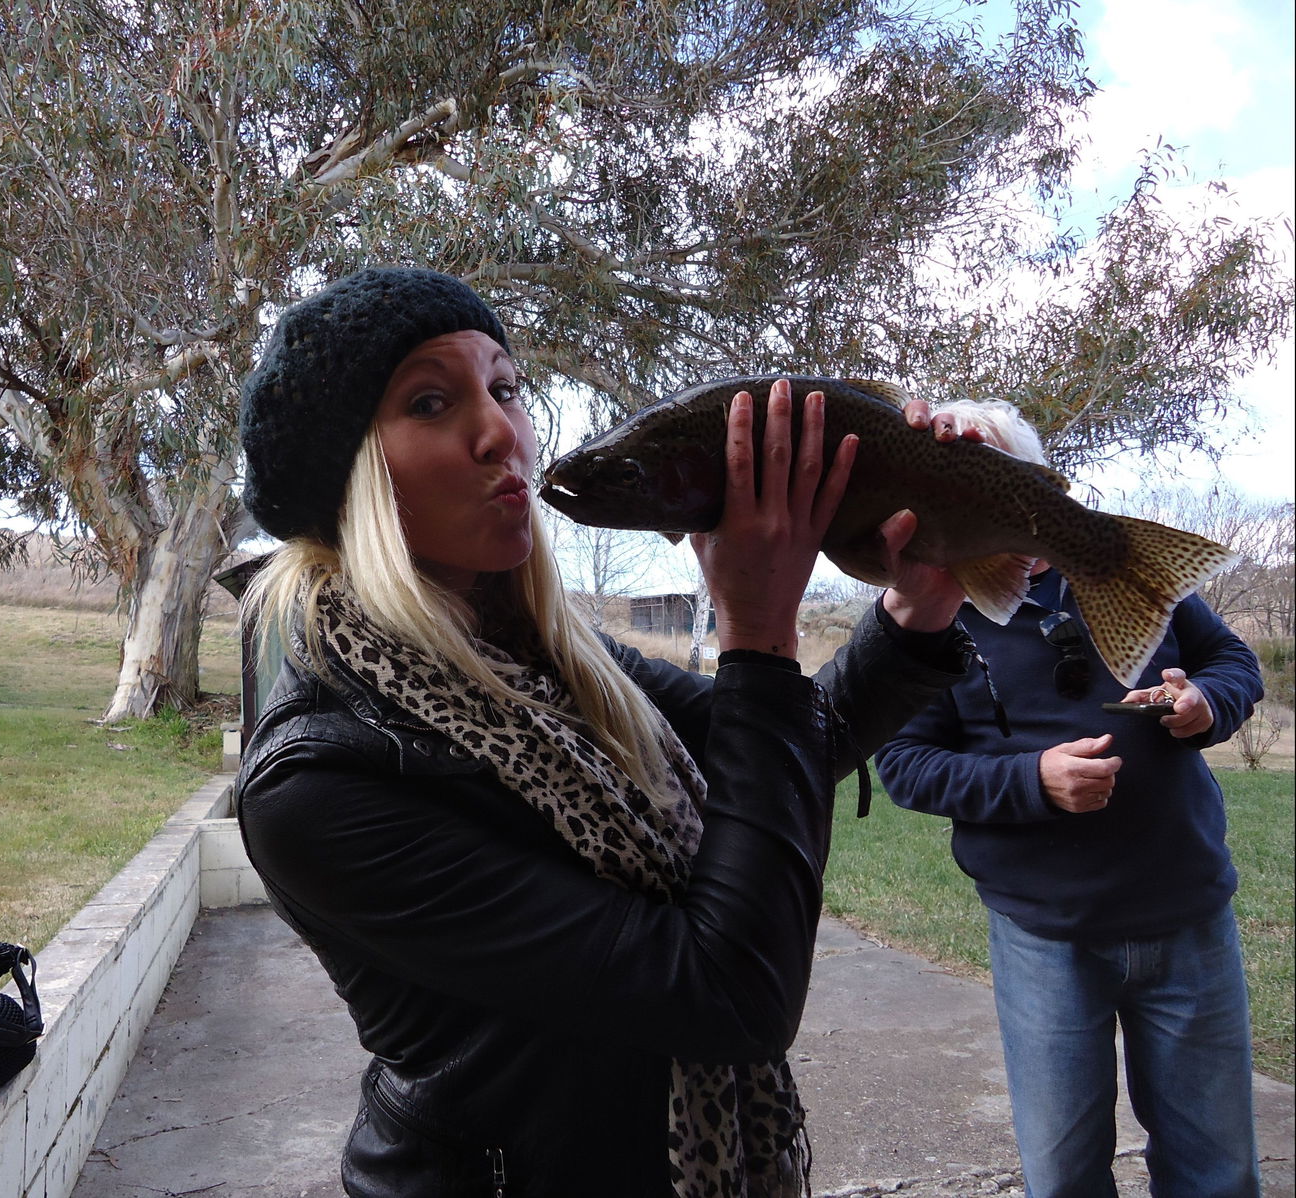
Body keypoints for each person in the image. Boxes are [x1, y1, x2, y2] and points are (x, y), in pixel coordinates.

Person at [232, 265, 972, 1197]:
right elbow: (726, 993)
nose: (502, 431)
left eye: (506, 388)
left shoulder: (544, 658)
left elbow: (785, 746)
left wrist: (916, 608)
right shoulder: (322, 779)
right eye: (431, 400)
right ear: (345, 478)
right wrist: (758, 633)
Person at [875, 399, 1265, 1198]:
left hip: (1187, 912)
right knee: (1063, 1178)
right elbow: (906, 766)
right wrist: (1032, 781)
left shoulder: (1124, 570)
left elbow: (1235, 663)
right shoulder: (928, 617)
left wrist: (1205, 705)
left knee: (1217, 1172)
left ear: (1035, 485)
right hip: (1044, 938)